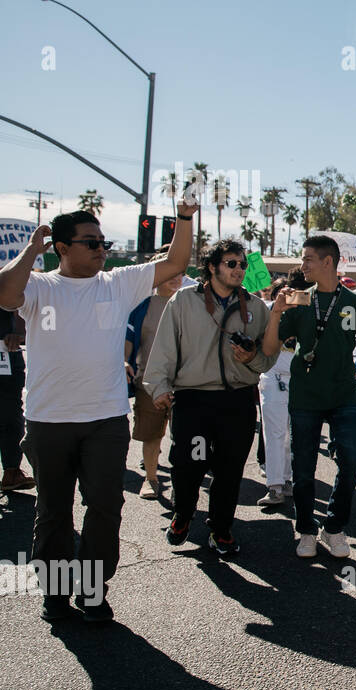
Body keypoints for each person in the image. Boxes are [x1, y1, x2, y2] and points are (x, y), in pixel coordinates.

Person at [1, 202, 196, 622]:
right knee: (53, 511)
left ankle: (92, 591)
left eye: (103, 242)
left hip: (105, 420)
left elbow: (177, 261)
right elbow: (4, 293)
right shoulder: (39, 286)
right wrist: (32, 251)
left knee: (105, 508)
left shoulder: (118, 282)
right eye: (91, 243)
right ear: (61, 247)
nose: (101, 250)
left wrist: (184, 217)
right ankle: (54, 594)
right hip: (48, 420)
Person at [142, 239, 276, 555]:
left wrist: (251, 358)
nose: (240, 269)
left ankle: (221, 529)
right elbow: (164, 348)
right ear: (212, 266)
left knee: (230, 471)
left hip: (238, 401)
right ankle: (183, 514)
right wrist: (159, 387)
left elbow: (268, 358)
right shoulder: (184, 301)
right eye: (232, 263)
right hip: (194, 402)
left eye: (243, 264)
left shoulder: (256, 307)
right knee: (189, 464)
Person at [264, 235, 356, 559]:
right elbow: (270, 349)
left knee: (351, 463)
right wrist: (276, 313)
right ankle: (305, 530)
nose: (302, 266)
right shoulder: (299, 300)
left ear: (328, 261)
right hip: (305, 398)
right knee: (303, 469)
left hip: (344, 396)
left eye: (308, 259)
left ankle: (334, 528)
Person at [125, 263, 184, 501]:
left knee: (185, 438)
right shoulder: (142, 307)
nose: (176, 278)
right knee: (151, 436)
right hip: (149, 383)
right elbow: (129, 340)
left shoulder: (191, 304)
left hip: (186, 385)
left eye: (180, 274)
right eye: (170, 274)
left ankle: (183, 484)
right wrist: (123, 361)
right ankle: (151, 479)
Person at [257, 278, 295, 509]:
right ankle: (274, 486)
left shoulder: (302, 314)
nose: (286, 297)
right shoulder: (267, 313)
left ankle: (287, 480)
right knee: (274, 433)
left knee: (291, 436)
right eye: (282, 293)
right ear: (274, 295)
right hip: (273, 377)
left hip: (299, 381)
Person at [0, 308, 34, 493]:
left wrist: (19, 333)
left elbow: (18, 302)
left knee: (11, 413)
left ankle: (12, 472)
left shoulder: (4, 279)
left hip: (5, 351)